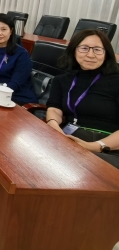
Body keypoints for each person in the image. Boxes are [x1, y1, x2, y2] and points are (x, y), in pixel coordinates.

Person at [46, 29, 119, 168]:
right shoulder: (61, 80)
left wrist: (93, 146)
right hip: (69, 138)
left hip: (108, 146)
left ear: (106, 53)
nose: (90, 55)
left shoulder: (116, 81)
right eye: (84, 48)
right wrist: (54, 127)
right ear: (74, 50)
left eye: (97, 49)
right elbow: (54, 108)